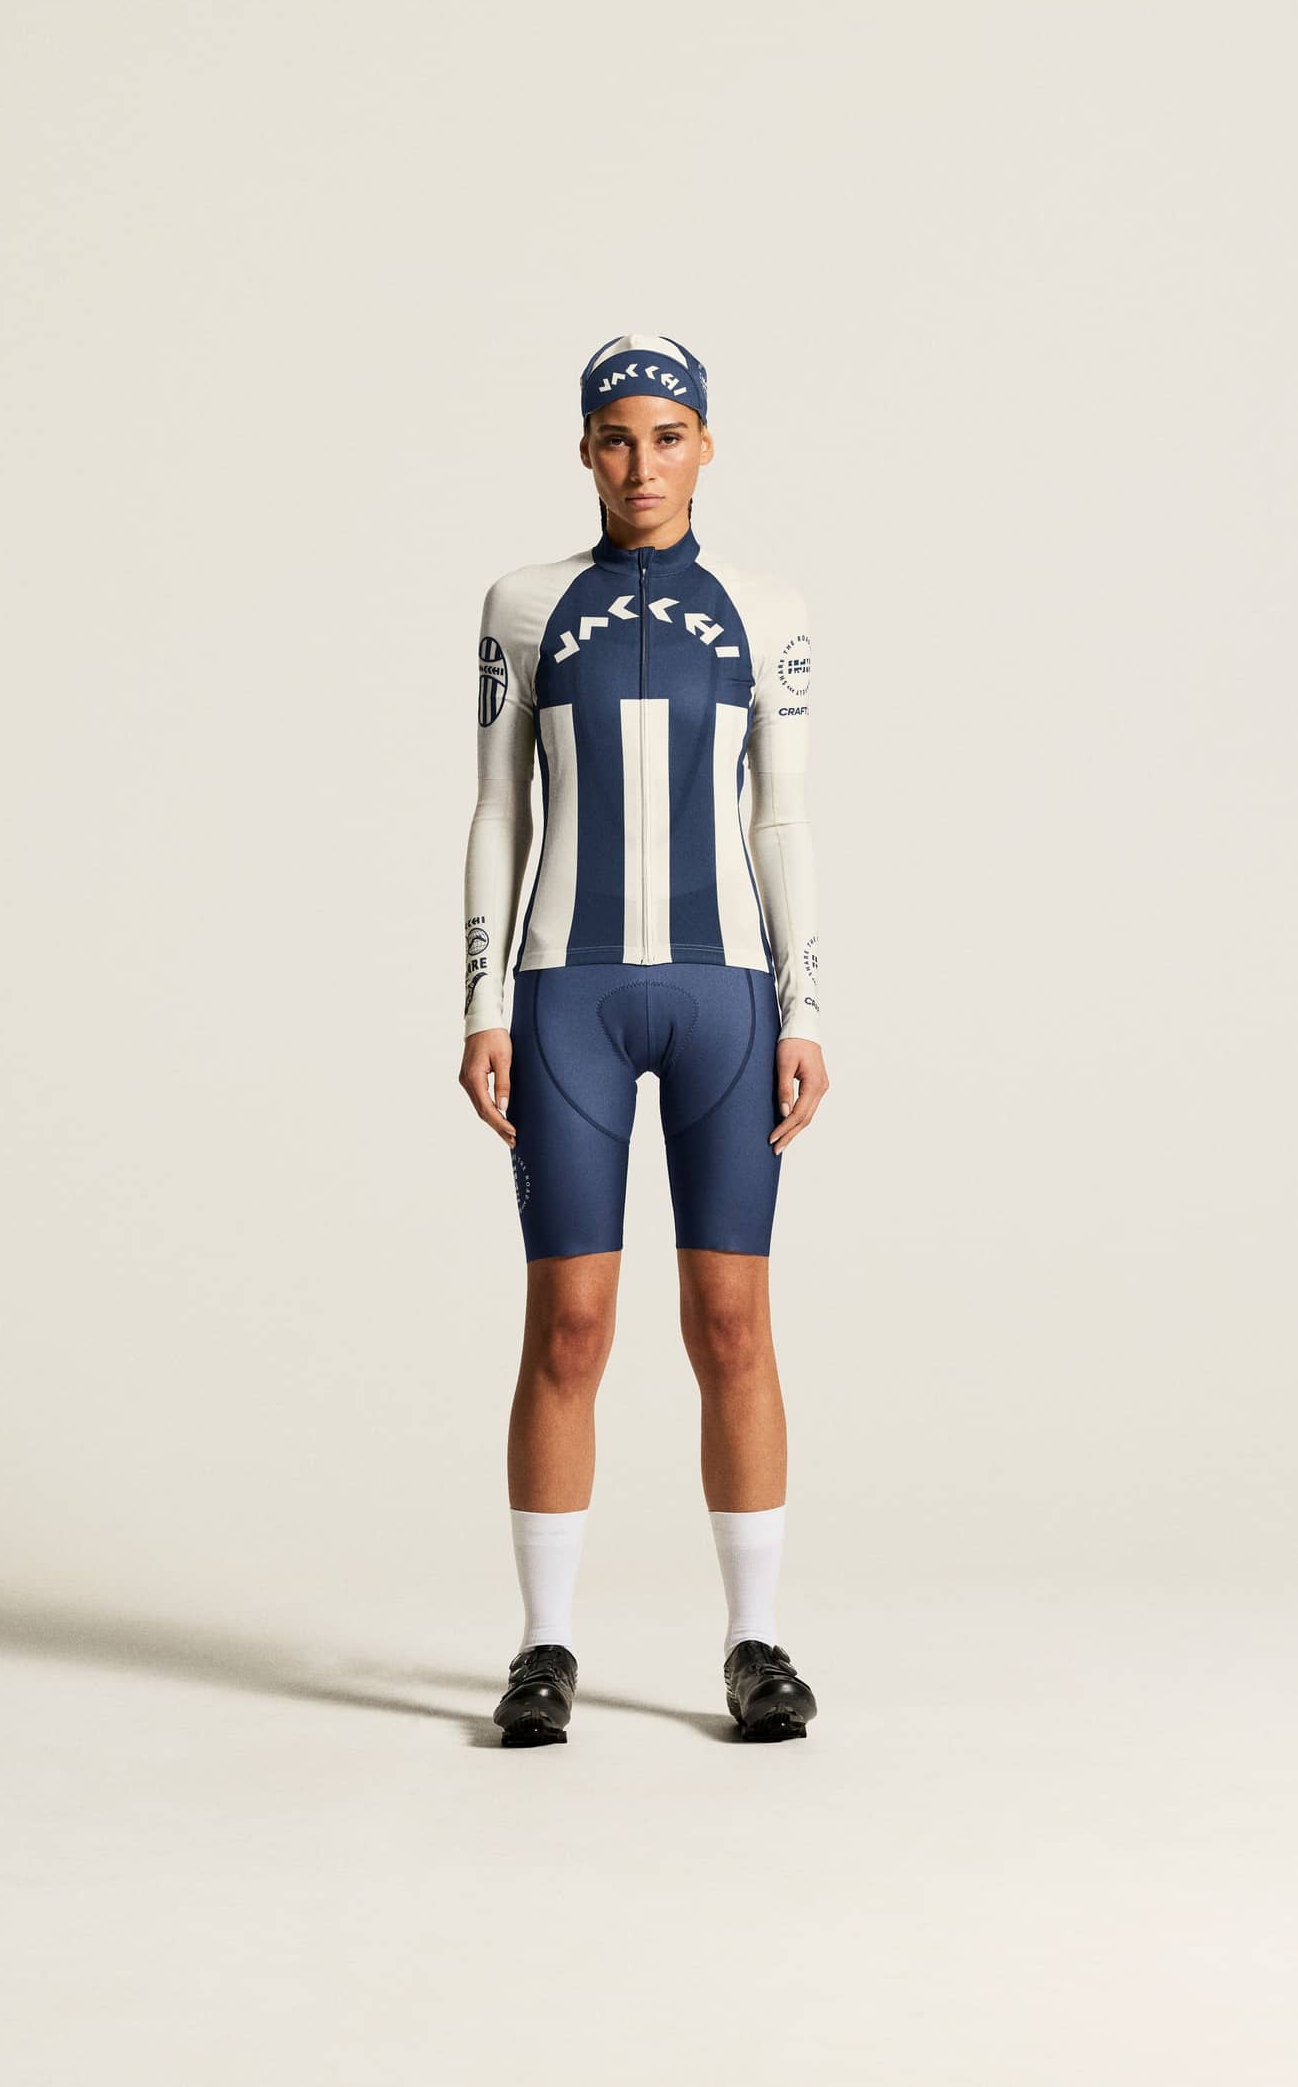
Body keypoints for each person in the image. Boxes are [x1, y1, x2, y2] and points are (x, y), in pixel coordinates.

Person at [459, 333, 829, 1746]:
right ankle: (544, 1647)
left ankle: (755, 1643)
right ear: (583, 449)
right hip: (570, 994)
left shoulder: (767, 607)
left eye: (667, 436)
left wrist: (806, 1009)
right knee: (570, 1326)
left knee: (732, 1322)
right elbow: (499, 809)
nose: (641, 464)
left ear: (706, 447)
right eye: (616, 437)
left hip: (727, 995)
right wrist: (484, 1003)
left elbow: (780, 817)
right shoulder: (522, 604)